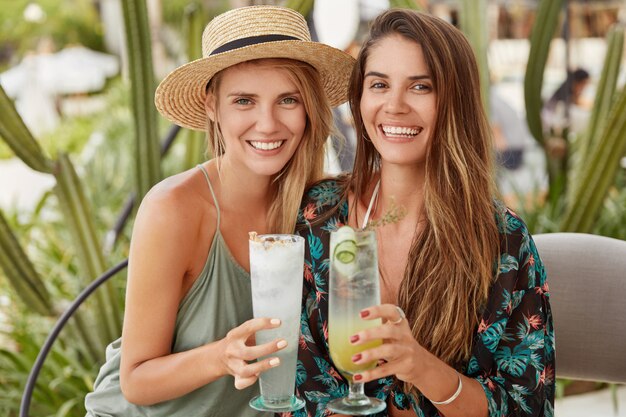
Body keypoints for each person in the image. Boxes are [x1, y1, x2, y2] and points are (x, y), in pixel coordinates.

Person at [84, 5, 354, 417]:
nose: (267, 124)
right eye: (244, 100)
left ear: (309, 108)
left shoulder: (319, 208)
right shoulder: (173, 209)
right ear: (212, 106)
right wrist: (220, 357)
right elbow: (135, 380)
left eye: (287, 99)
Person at [292, 9, 554, 417]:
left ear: (454, 101)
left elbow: (527, 407)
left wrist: (421, 366)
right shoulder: (317, 216)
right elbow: (298, 390)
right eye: (379, 84)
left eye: (421, 87)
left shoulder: (503, 240)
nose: (394, 105)